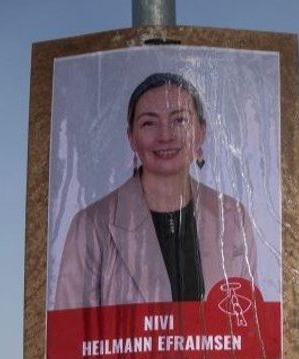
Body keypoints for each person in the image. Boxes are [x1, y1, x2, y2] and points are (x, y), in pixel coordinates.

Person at [52, 72, 259, 310]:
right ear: (131, 137)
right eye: (149, 123)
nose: (165, 136)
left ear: (201, 131)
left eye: (179, 120)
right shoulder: (91, 225)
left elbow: (247, 323)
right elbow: (70, 329)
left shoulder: (233, 218)